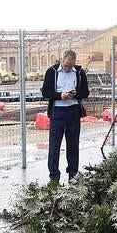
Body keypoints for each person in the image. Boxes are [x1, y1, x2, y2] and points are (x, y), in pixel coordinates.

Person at [40, 49, 89, 184]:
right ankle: (54, 177)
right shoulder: (52, 72)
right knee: (54, 146)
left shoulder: (79, 72)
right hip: (57, 113)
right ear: (62, 60)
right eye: (66, 65)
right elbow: (45, 92)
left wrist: (75, 94)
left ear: (74, 62)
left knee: (73, 145)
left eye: (71, 66)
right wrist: (60, 95)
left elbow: (85, 92)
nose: (68, 68)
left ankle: (73, 175)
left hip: (73, 112)